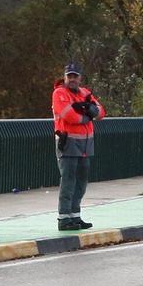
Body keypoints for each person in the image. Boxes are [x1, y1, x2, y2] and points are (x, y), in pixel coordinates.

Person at [51, 63, 104, 231]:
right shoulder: (59, 93)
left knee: (81, 181)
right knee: (68, 180)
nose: (72, 79)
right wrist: (87, 116)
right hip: (68, 142)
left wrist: (89, 110)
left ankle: (75, 215)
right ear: (65, 77)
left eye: (75, 76)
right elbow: (69, 115)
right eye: (69, 76)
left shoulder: (85, 93)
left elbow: (101, 112)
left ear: (80, 78)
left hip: (86, 144)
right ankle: (64, 218)